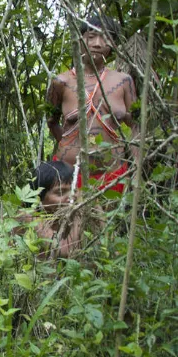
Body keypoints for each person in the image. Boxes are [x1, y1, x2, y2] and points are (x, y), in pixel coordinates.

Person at [47, 15, 138, 193]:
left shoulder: (124, 81)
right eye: (91, 37)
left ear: (113, 43)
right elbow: (51, 121)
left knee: (109, 220)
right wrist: (69, 147)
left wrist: (135, 165)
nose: (97, 44)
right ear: (80, 40)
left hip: (113, 175)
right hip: (69, 175)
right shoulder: (60, 82)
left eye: (105, 37)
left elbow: (135, 125)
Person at [18, 161, 98, 258]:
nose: (70, 197)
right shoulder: (28, 216)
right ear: (39, 198)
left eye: (73, 190)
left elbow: (107, 241)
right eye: (60, 192)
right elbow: (64, 251)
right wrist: (79, 212)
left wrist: (96, 206)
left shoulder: (66, 215)